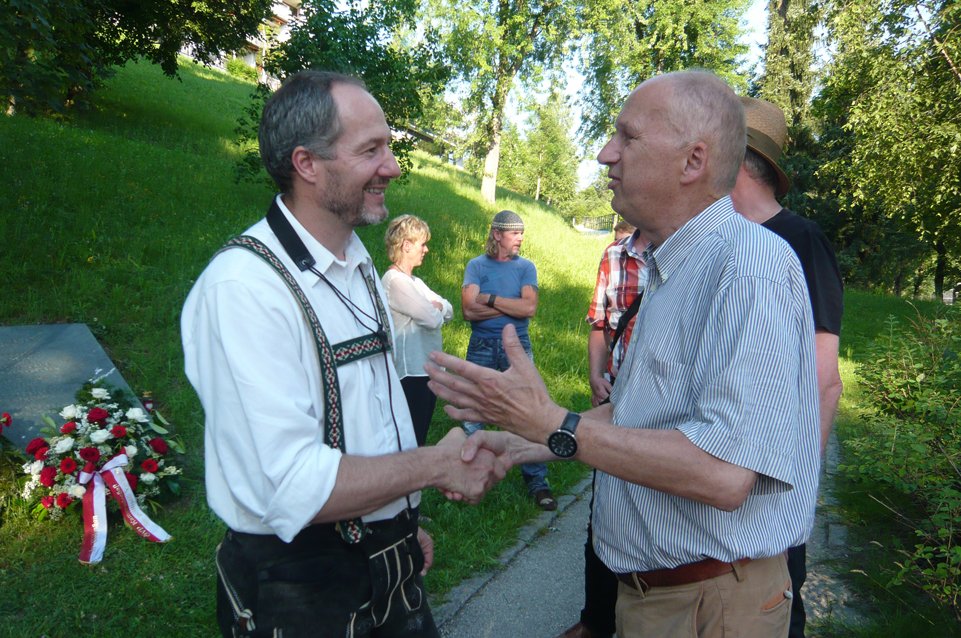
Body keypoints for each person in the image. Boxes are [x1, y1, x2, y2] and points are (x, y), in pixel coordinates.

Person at [427, 70, 821, 638]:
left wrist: (552, 422)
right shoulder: (673, 268)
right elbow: (633, 412)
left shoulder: (748, 266)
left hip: (712, 608)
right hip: (662, 599)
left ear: (693, 161)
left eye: (627, 137)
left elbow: (725, 474)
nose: (605, 153)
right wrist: (519, 443)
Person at [181, 71, 505, 638]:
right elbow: (293, 485)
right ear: (307, 163)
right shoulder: (244, 289)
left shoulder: (356, 263)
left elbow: (370, 414)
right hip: (301, 591)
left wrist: (400, 524)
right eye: (371, 150)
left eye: (390, 146)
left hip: (387, 562)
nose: (394, 167)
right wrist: (437, 464)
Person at [731, 96, 844, 638]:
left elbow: (825, 378)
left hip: (775, 480)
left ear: (735, 158)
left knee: (778, 604)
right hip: (718, 470)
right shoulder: (720, 242)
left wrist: (800, 482)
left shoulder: (803, 241)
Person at [559, 220, 647, 638]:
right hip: (615, 400)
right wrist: (596, 375)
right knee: (602, 511)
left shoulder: (687, 252)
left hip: (662, 411)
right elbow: (599, 325)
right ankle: (596, 619)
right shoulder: (613, 255)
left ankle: (642, 614)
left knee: (650, 512)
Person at [461, 210, 555, 511]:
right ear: (497, 234)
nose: (521, 238)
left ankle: (538, 482)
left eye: (522, 233)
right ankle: (467, 480)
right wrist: (509, 308)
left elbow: (528, 308)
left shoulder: (527, 267)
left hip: (517, 345)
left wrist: (488, 299)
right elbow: (467, 311)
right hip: (481, 345)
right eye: (515, 233)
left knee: (529, 411)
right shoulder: (476, 265)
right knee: (473, 411)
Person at [382, 214, 454, 447]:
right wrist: (435, 309)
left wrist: (438, 307)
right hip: (411, 373)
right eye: (422, 244)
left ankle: (412, 482)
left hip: (425, 371)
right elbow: (432, 320)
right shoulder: (396, 281)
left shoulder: (416, 282)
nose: (426, 249)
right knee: (410, 440)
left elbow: (448, 309)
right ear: (406, 245)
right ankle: (406, 481)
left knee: (419, 435)